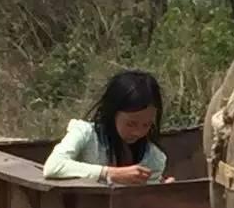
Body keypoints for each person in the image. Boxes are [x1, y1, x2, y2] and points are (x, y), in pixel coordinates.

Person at [43, 69, 173, 185]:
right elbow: (53, 167)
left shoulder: (153, 158)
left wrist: (163, 193)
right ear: (113, 113)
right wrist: (109, 173)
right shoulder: (85, 134)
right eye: (131, 124)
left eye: (147, 125)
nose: (138, 132)